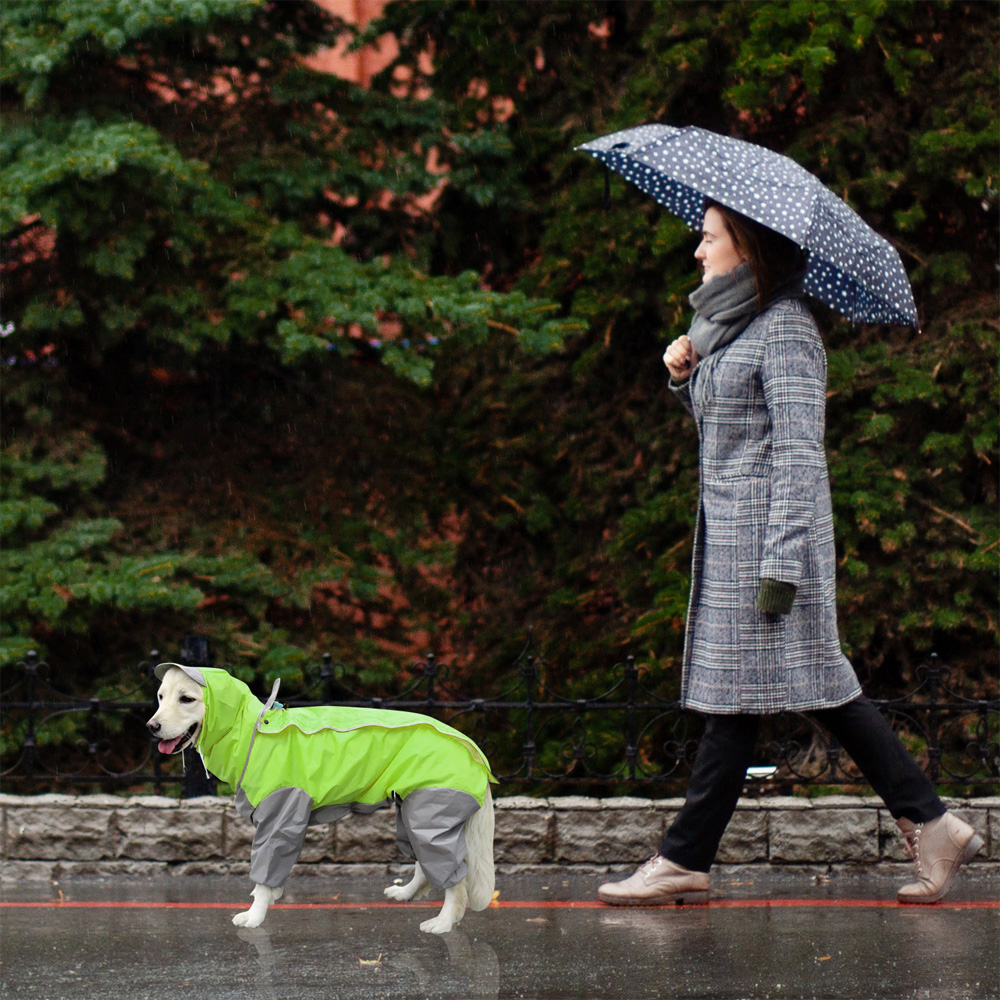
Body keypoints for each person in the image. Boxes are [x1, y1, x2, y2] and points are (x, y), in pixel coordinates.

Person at [597, 200, 983, 907]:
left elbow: (800, 457)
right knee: (800, 696)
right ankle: (932, 823)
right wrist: (685, 377)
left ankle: (685, 857)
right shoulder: (728, 328)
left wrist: (781, 564)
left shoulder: (787, 330)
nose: (696, 251)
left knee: (756, 702)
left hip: (770, 553)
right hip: (737, 545)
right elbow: (731, 433)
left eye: (708, 238)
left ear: (745, 248)